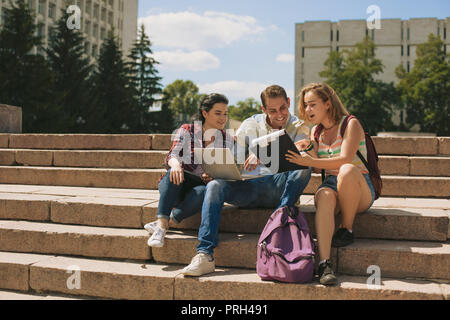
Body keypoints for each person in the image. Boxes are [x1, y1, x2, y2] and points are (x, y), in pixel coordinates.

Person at [179, 85, 312, 277]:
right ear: (263, 109)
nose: (280, 114)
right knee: (215, 185)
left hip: (279, 189)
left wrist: (267, 153)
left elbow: (303, 148)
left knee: (304, 167)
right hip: (248, 187)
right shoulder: (251, 124)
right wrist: (218, 167)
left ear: (289, 103)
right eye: (272, 110)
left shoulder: (299, 125)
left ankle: (278, 221)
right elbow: (235, 156)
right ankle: (204, 254)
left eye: (283, 108)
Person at [286, 82, 376, 286]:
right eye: (305, 105)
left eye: (312, 104)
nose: (307, 110)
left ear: (327, 104)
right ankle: (324, 264)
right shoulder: (315, 131)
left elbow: (345, 158)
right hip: (332, 185)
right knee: (324, 195)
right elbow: (318, 168)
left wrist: (310, 160)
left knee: (346, 169)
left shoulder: (350, 123)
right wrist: (307, 147)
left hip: (359, 186)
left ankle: (347, 228)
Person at [146, 93, 234, 247]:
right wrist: (175, 165)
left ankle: (165, 223)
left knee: (205, 191)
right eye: (218, 113)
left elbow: (226, 170)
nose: (223, 118)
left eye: (225, 113)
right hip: (175, 186)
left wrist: (212, 177)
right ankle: (160, 227)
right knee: (173, 173)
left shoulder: (227, 139)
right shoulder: (188, 130)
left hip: (198, 189)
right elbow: (172, 155)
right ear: (205, 113)